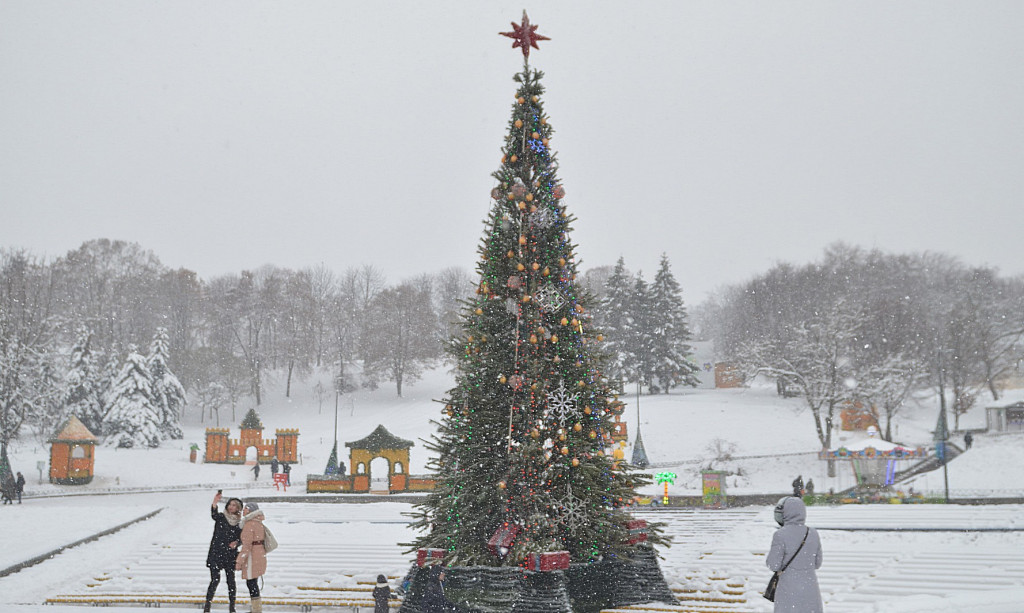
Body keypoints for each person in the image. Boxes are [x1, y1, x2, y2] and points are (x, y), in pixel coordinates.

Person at [767, 496, 823, 612]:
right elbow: (817, 563)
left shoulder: (780, 535)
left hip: (788, 589)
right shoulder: (813, 533)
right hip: (810, 588)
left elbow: (773, 565)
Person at [205, 492, 243, 613]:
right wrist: (215, 502)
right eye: (230, 504)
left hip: (230, 554)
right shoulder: (221, 517)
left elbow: (242, 538)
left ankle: (232, 607)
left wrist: (237, 542)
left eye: (234, 505)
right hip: (216, 552)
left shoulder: (239, 523)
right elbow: (214, 514)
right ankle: (207, 606)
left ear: (238, 509)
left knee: (231, 581)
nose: (231, 507)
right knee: (215, 580)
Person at [237, 501, 268, 613]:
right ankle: (257, 609)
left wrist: (239, 561)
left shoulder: (249, 524)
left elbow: (246, 546)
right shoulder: (259, 522)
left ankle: (256, 610)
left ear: (250, 510)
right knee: (253, 582)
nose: (243, 510)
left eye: (245, 508)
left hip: (252, 557)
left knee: (251, 583)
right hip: (259, 554)